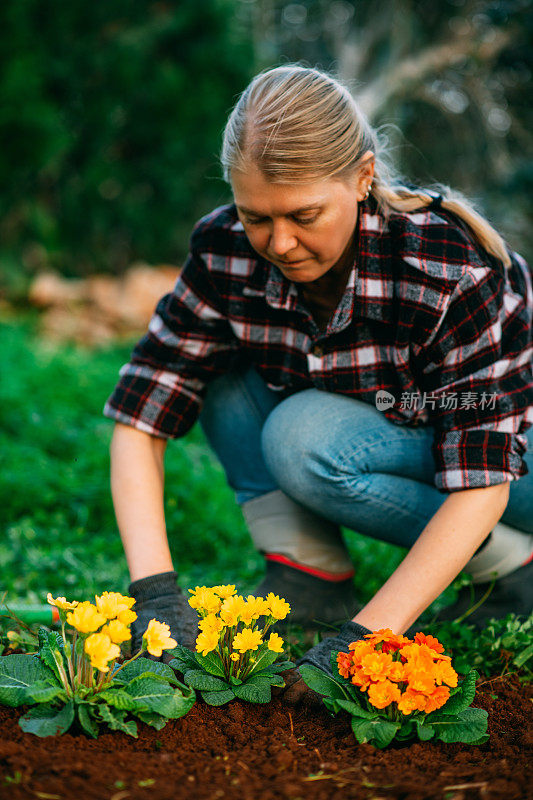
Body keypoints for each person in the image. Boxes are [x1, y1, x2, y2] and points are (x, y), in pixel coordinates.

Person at [103, 64, 533, 666]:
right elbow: (141, 412)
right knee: (217, 373)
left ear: (362, 177)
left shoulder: (446, 266)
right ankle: (310, 571)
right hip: (392, 421)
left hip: (515, 457)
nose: (278, 244)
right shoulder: (223, 249)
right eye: (257, 216)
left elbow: (484, 470)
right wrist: (153, 595)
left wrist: (365, 641)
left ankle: (511, 566)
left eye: (304, 216)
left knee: (305, 437)